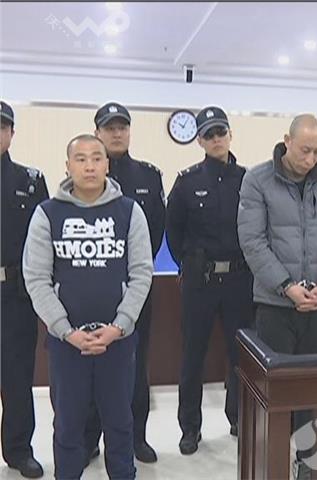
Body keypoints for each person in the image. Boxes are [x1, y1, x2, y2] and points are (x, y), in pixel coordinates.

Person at [22, 134, 153, 479]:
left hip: (118, 341)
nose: (90, 166)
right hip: (67, 344)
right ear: (68, 166)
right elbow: (36, 278)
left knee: (120, 423)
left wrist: (119, 326)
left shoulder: (130, 211)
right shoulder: (47, 214)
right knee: (68, 425)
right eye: (80, 159)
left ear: (107, 164)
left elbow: (142, 273)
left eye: (96, 158)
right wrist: (65, 331)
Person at [237, 114, 317, 480]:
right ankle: (273, 461)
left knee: (311, 389)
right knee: (277, 389)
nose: (311, 158)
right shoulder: (257, 179)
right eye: (304, 150)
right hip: (275, 303)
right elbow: (253, 242)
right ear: (287, 140)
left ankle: (308, 463)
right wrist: (286, 286)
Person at [166, 106, 254, 455]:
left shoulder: (249, 180)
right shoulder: (187, 182)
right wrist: (190, 266)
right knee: (192, 357)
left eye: (221, 132)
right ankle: (190, 428)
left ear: (231, 135)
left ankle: (239, 418)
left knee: (241, 356)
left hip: (240, 281)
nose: (216, 139)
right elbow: (173, 232)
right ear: (199, 140)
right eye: (209, 134)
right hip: (199, 283)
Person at [84, 102, 165, 464]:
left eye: (122, 127)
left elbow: (157, 231)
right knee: (90, 362)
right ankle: (89, 439)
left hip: (136, 287)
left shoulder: (149, 176)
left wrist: (135, 273)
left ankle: (136, 437)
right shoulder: (85, 178)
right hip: (92, 285)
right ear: (97, 132)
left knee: (135, 362)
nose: (117, 133)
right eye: (109, 127)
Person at [0, 101, 47, 478]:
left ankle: (18, 451)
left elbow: (43, 241)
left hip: (14, 296)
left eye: (2, 127)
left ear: (12, 133)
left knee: (17, 378)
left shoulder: (30, 181)